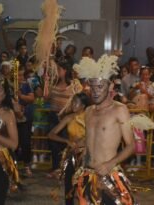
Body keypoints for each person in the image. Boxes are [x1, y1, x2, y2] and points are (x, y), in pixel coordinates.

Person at [73, 54, 137, 204]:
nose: (95, 91)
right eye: (92, 87)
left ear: (111, 86)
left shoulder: (119, 110)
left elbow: (132, 145)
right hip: (88, 174)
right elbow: (92, 140)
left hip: (108, 176)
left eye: (100, 87)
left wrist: (110, 164)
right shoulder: (88, 111)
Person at [48, 93, 90, 205]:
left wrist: (85, 142)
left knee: (85, 186)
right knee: (69, 186)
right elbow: (51, 134)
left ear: (83, 105)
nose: (73, 104)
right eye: (72, 102)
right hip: (71, 155)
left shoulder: (90, 117)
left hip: (86, 155)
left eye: (76, 102)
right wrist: (66, 141)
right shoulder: (68, 117)